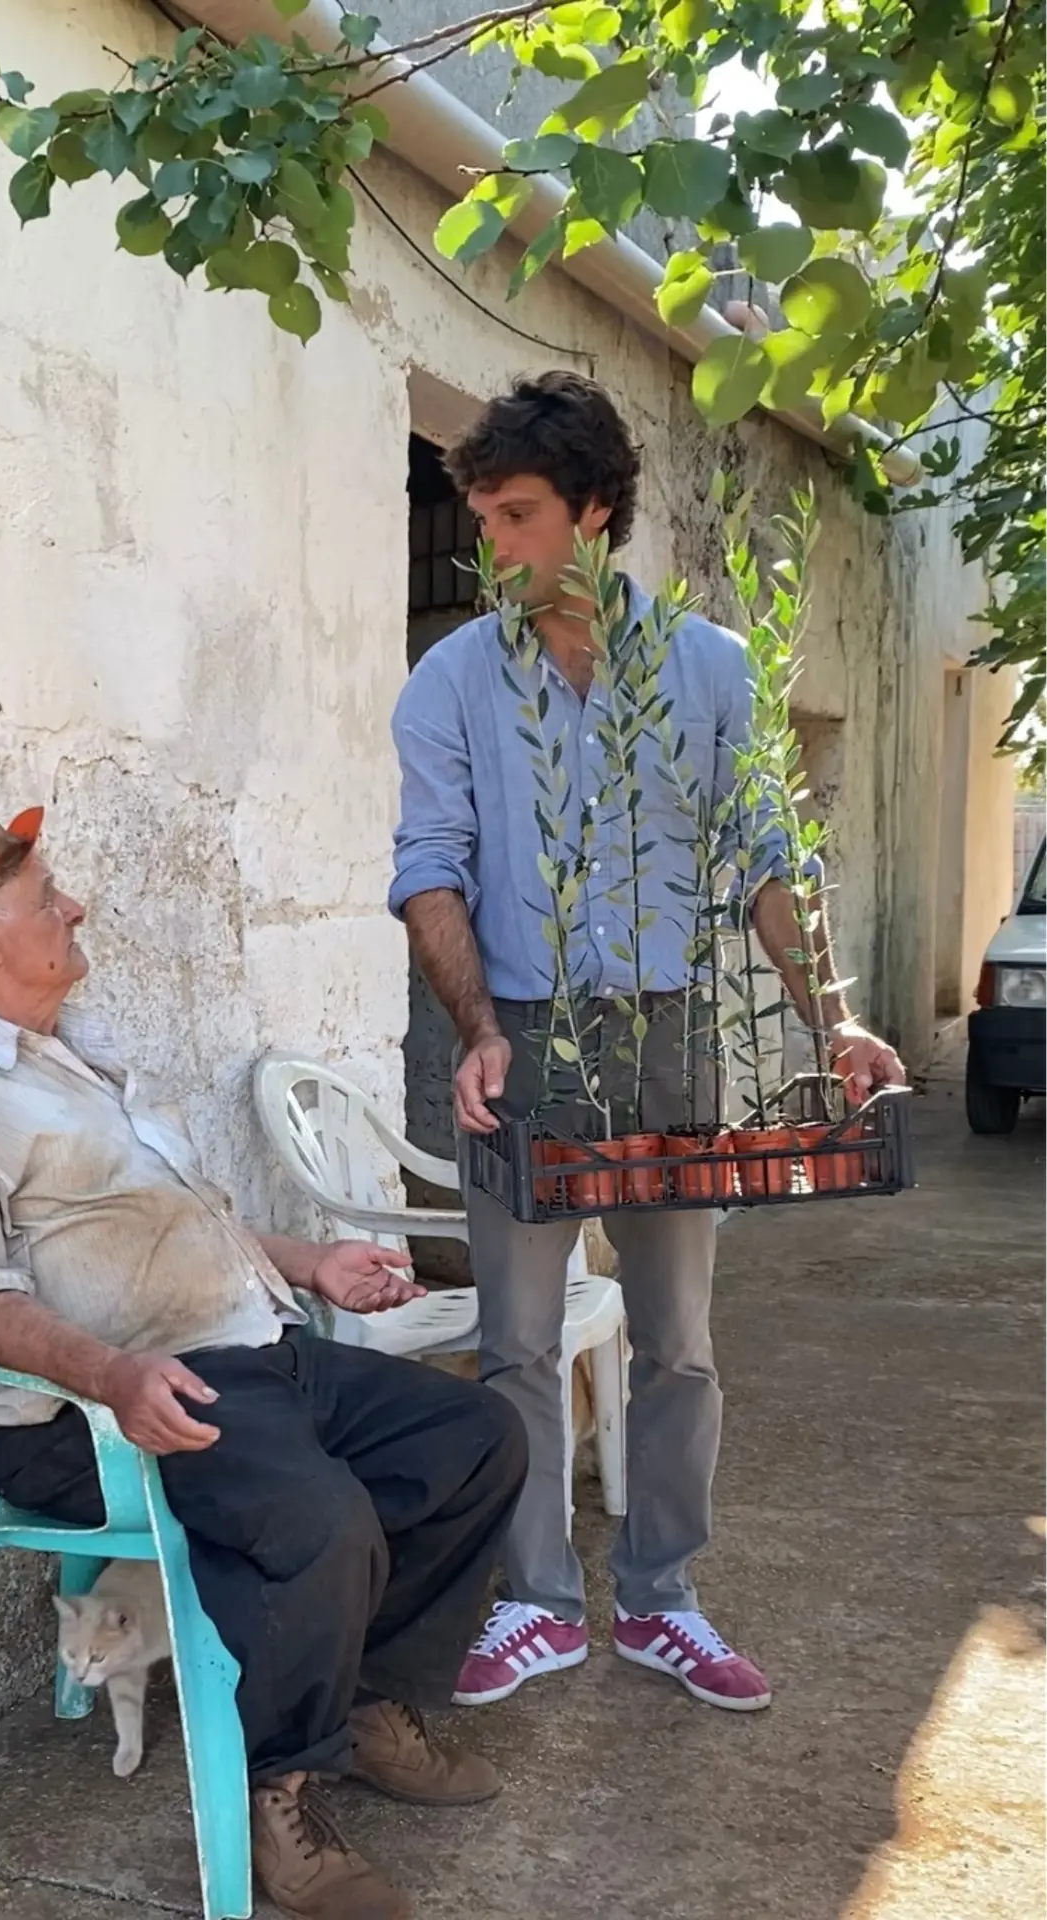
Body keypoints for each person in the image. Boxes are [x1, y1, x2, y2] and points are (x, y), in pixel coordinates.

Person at [0, 804, 528, 1920]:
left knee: (477, 1438)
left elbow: (163, 1228)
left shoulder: (75, 1056)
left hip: (245, 1352)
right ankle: (281, 1793)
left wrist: (304, 1261)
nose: (74, 908)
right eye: (44, 902)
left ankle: (363, 1702)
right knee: (321, 1521)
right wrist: (111, 1378)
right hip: (98, 1414)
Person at [389, 372, 906, 1713]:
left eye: (517, 514)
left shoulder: (709, 672)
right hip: (525, 1037)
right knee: (513, 1344)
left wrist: (830, 1017)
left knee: (676, 1342)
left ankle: (663, 1600)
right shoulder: (449, 683)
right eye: (483, 517)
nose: (491, 544)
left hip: (672, 1036)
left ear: (595, 515)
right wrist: (477, 1031)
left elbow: (763, 866)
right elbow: (430, 871)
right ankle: (534, 1602)